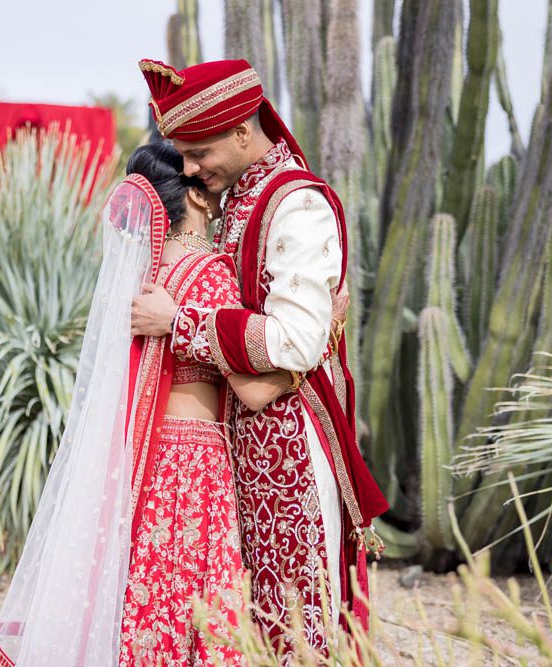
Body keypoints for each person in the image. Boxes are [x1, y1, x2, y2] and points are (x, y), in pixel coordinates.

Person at [131, 58, 390, 659]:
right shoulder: (238, 202)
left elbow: (294, 340)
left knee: (297, 622)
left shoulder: (297, 205)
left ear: (243, 132)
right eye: (183, 156)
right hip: (241, 446)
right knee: (247, 623)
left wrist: (181, 322)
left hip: (289, 450)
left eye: (198, 153)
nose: (190, 170)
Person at [0, 143, 287, 667]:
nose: (217, 193)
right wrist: (313, 345)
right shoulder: (210, 274)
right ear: (195, 197)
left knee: (149, 598)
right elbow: (253, 391)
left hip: (144, 461)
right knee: (195, 604)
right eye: (207, 185)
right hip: (196, 465)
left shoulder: (141, 283)